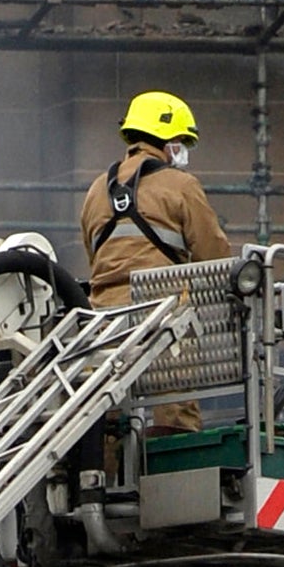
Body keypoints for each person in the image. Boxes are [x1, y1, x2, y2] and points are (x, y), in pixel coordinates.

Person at [80, 90, 232, 433]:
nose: (182, 150)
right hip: (164, 316)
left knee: (106, 420)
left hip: (103, 323)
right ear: (166, 140)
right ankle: (170, 479)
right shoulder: (181, 185)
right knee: (174, 415)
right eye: (181, 141)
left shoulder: (94, 192)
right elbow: (215, 256)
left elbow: (96, 259)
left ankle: (102, 480)